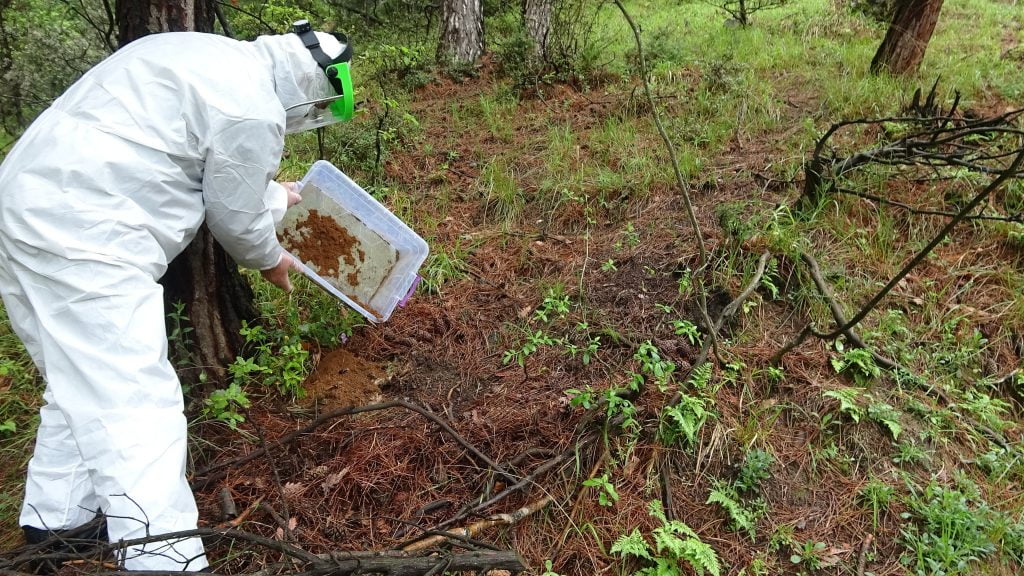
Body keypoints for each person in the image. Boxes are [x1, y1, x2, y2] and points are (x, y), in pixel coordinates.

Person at [0, 21, 351, 572]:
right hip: (87, 236)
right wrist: (271, 258)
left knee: (79, 377)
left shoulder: (201, 52)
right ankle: (164, 559)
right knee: (136, 403)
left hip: (26, 204)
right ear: (311, 87)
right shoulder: (254, 107)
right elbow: (234, 217)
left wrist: (274, 199)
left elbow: (188, 157)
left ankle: (58, 524)